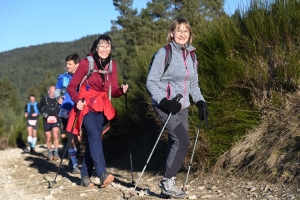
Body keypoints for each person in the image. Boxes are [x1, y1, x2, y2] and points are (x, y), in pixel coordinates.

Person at [146, 17, 208, 198]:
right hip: (163, 105)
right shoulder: (164, 53)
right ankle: (167, 181)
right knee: (183, 140)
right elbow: (151, 82)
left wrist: (200, 101)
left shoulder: (192, 55)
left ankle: (168, 182)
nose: (182, 34)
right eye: (178, 30)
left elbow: (193, 84)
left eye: (186, 31)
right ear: (172, 33)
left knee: (177, 142)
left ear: (190, 35)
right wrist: (164, 101)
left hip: (182, 106)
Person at [66, 35, 129, 188]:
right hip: (85, 104)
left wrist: (121, 90)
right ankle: (102, 173)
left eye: (107, 46)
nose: (104, 49)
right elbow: (71, 86)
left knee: (95, 138)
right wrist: (76, 100)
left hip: (101, 105)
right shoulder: (86, 63)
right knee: (94, 134)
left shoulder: (112, 66)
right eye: (101, 46)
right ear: (96, 47)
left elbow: (113, 90)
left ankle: (85, 175)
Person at [55, 53, 81, 174]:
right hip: (66, 109)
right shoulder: (63, 77)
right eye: (66, 64)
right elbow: (57, 90)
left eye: (69, 64)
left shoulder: (83, 77)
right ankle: (75, 164)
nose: (67, 66)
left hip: (79, 109)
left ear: (77, 64)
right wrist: (58, 98)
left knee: (78, 137)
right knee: (71, 135)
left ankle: (73, 155)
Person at [39, 86, 61, 161]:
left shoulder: (58, 99)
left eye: (54, 92)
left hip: (55, 119)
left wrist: (59, 113)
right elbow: (39, 107)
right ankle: (49, 152)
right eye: (51, 92)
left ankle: (56, 152)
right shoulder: (44, 99)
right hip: (46, 120)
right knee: (48, 138)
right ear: (48, 92)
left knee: (55, 135)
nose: (52, 94)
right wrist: (43, 113)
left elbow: (62, 107)